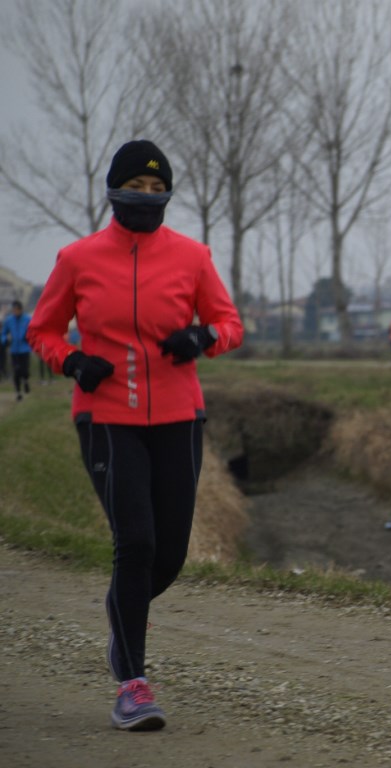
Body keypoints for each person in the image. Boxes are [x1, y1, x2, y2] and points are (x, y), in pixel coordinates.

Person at [28, 140, 243, 731]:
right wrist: (72, 361)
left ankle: (121, 614)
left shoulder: (193, 257)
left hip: (178, 417)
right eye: (134, 187)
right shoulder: (77, 259)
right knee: (138, 543)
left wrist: (202, 338)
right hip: (106, 419)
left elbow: (229, 324)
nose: (146, 197)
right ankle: (133, 683)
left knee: (169, 554)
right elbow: (43, 330)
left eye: (156, 189)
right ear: (113, 191)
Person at [1, 300, 32, 400]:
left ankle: (26, 381)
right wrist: (5, 340)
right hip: (14, 350)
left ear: (21, 309)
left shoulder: (27, 319)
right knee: (16, 371)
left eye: (17, 309)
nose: (15, 311)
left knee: (24, 371)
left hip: (25, 349)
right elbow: (3, 333)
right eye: (14, 310)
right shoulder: (9, 320)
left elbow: (33, 331)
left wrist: (28, 338)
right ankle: (18, 392)